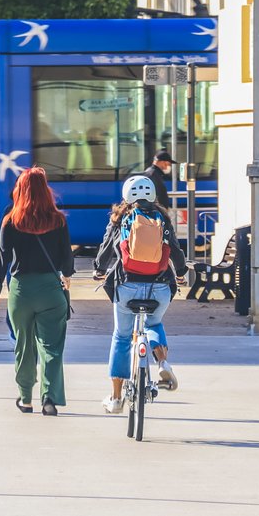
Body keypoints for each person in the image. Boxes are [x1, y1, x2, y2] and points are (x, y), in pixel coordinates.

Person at [94, 175, 187, 414]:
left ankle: (116, 398)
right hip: (159, 288)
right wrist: (180, 274)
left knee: (122, 337)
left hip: (127, 287)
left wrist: (99, 270)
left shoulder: (121, 218)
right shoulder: (162, 218)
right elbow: (176, 252)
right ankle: (162, 362)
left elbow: (106, 249)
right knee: (154, 323)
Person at [0, 167, 74, 416]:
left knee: (24, 346)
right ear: (45, 190)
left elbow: (2, 258)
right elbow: (66, 257)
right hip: (51, 290)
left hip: (21, 291)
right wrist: (66, 276)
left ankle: (25, 399)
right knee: (52, 348)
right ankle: (49, 399)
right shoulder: (58, 220)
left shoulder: (11, 220)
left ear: (21, 189)